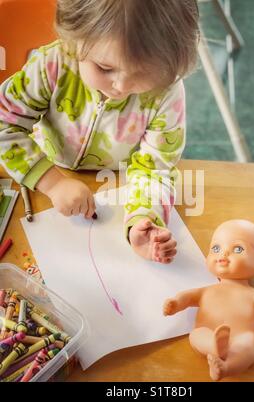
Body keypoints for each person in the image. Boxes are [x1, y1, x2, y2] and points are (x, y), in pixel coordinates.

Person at [0, 0, 200, 264]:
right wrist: (52, 182)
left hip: (119, 183)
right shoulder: (53, 64)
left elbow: (156, 169)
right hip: (41, 178)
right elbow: (5, 124)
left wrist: (143, 218)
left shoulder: (166, 92)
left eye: (142, 73)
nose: (121, 86)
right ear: (73, 40)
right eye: (104, 68)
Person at [163, 220, 254, 380]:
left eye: (238, 249)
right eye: (216, 248)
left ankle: (225, 368)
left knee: (250, 344)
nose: (223, 254)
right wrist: (176, 303)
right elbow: (188, 297)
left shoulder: (251, 294)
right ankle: (214, 346)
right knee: (197, 334)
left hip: (241, 337)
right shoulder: (207, 290)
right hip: (208, 333)